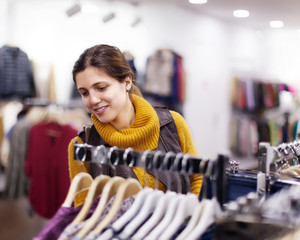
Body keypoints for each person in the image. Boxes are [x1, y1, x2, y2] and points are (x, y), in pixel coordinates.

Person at [68, 44, 202, 206]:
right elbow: (84, 212)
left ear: (127, 83)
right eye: (84, 93)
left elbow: (196, 178)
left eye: (101, 88)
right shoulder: (83, 146)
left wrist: (185, 222)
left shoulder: (172, 124)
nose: (93, 100)